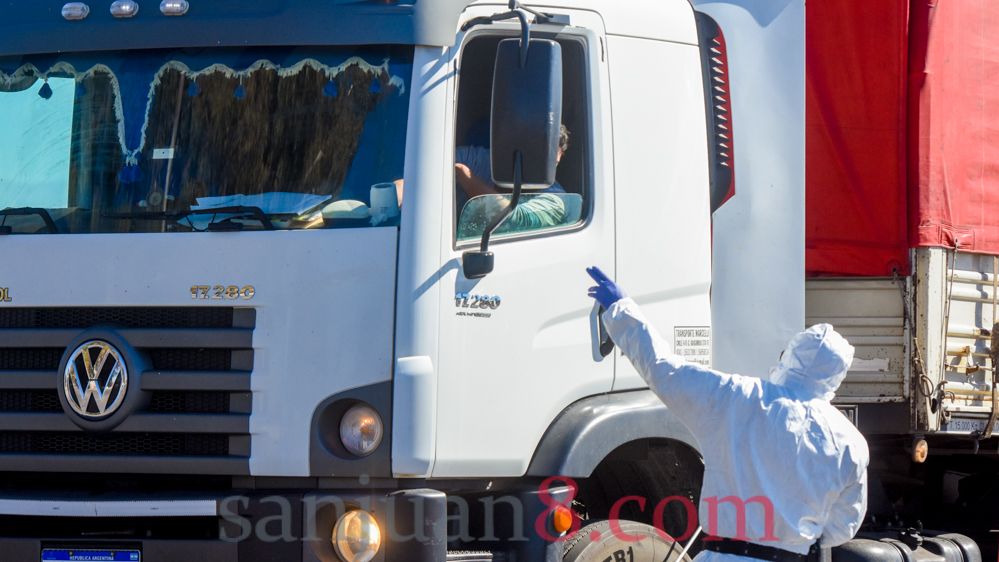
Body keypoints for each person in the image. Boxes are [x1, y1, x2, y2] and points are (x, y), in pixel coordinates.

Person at [585, 266, 869, 562]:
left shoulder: (740, 397)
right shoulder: (850, 442)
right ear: (837, 376)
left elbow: (664, 369)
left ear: (790, 356)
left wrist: (620, 309)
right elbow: (842, 527)